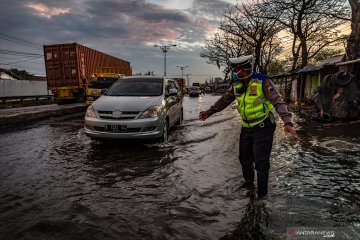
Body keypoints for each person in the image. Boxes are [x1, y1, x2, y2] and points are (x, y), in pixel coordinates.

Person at [199, 55, 300, 198]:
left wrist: (287, 122)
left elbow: (278, 101)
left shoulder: (262, 81)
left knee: (261, 162)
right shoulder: (236, 83)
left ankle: (262, 196)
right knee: (244, 158)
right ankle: (249, 185)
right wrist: (209, 112)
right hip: (247, 126)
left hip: (264, 126)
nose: (233, 71)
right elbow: (224, 100)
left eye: (235, 69)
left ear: (244, 69)